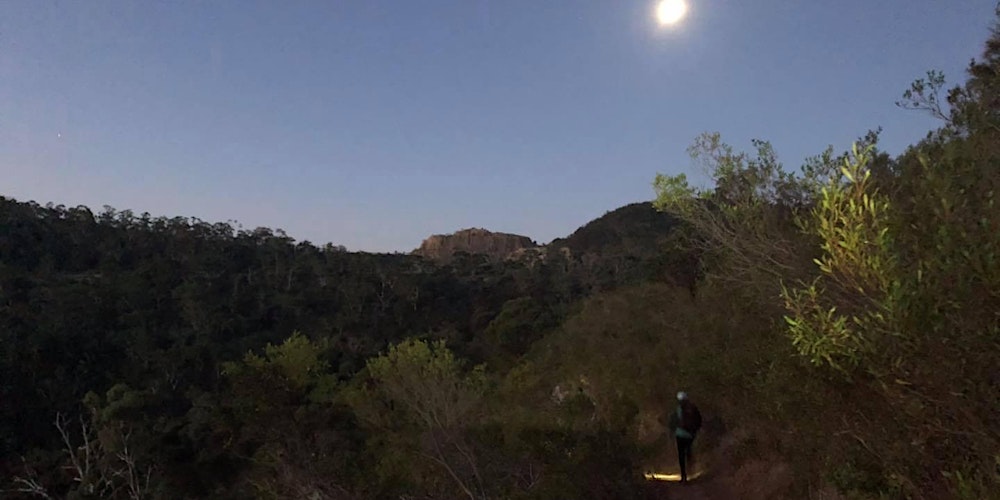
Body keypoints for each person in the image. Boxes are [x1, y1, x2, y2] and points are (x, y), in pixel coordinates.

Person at [667, 391, 702, 484]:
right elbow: (699, 421)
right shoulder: (693, 408)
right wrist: (695, 431)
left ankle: (684, 476)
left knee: (681, 454)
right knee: (689, 451)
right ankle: (691, 470)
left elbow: (672, 422)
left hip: (679, 434)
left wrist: (671, 432)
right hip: (690, 435)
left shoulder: (677, 409)